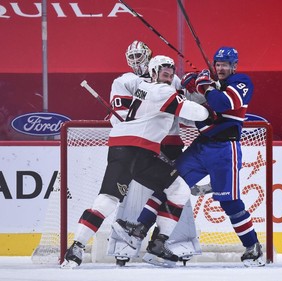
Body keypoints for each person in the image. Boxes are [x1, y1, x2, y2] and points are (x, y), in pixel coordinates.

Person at [61, 55, 210, 268]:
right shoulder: (162, 91)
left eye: (170, 73)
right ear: (153, 73)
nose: (168, 76)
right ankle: (79, 247)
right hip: (134, 151)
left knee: (177, 190)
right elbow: (199, 113)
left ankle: (155, 244)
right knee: (110, 199)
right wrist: (208, 93)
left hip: (134, 151)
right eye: (164, 72)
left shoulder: (143, 86)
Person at [107, 40, 202, 267]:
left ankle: (178, 241)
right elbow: (118, 115)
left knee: (174, 189)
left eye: (141, 56)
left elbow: (188, 113)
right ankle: (126, 244)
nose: (136, 61)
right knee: (134, 191)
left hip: (170, 142)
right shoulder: (125, 81)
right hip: (141, 143)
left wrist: (202, 89)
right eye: (133, 56)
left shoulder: (171, 77)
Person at [174, 46, 266, 267]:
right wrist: (192, 83)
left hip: (225, 149)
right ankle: (160, 242)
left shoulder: (242, 81)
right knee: (171, 183)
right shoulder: (213, 85)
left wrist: (204, 86)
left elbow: (222, 103)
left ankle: (253, 247)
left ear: (234, 66)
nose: (221, 68)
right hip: (200, 147)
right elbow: (194, 107)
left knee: (231, 203)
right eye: (218, 64)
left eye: (225, 64)